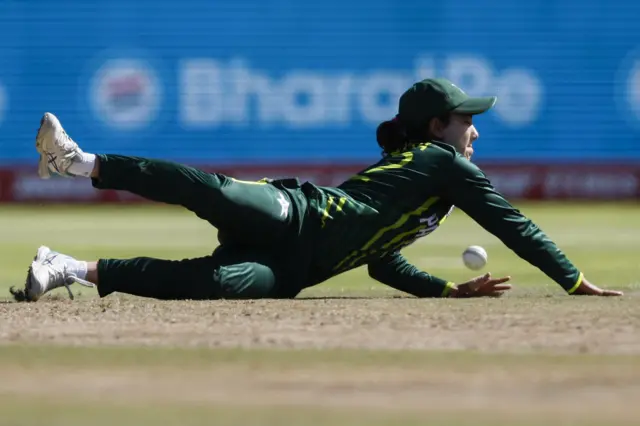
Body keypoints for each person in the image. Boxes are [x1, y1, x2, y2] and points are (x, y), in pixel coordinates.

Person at [11, 78, 623, 302]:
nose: (475, 129)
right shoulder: (443, 163)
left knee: (210, 285)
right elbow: (512, 224)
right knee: (214, 192)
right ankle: (77, 162)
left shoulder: (423, 180)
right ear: (438, 127)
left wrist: (442, 289)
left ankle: (69, 268)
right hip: (298, 214)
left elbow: (377, 261)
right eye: (467, 119)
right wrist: (572, 279)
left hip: (295, 270)